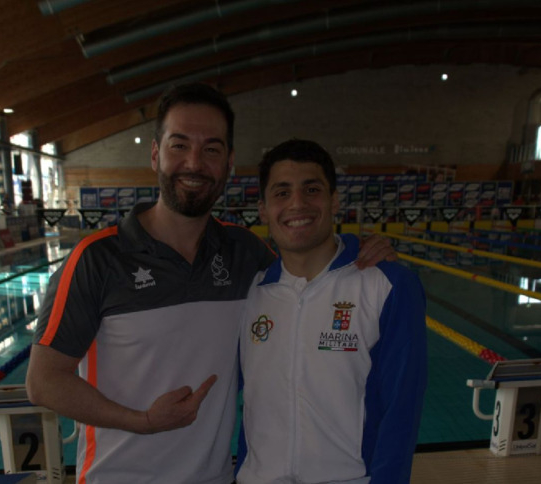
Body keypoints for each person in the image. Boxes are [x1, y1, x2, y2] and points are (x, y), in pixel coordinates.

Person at [26, 84, 396, 484]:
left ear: (229, 163)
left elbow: (309, 280)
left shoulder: (244, 253)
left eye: (212, 149)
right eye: (179, 145)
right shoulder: (97, 259)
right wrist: (142, 421)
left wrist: (358, 251)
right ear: (155, 154)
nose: (194, 163)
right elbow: (44, 382)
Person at [236, 139, 427, 484]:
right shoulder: (250, 294)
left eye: (311, 189)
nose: (297, 203)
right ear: (263, 209)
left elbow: (402, 409)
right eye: (282, 192)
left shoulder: (387, 286)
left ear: (334, 200)